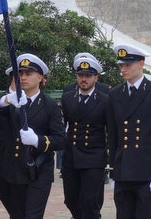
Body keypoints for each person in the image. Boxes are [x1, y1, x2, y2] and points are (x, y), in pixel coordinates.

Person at [0, 53, 67, 219]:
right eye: (20, 74)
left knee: (32, 215)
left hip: (38, 170)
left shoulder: (49, 105)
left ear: (40, 77)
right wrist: (6, 100)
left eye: (28, 73)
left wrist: (38, 140)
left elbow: (61, 140)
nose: (23, 77)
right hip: (11, 171)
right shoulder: (9, 101)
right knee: (17, 215)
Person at [106, 44, 151, 219]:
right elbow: (114, 136)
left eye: (128, 65)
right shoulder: (115, 94)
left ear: (141, 63)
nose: (123, 69)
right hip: (123, 171)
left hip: (147, 171)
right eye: (121, 65)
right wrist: (112, 169)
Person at [61, 55, 109, 219]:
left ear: (96, 77)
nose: (83, 79)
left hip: (93, 156)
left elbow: (111, 130)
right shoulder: (68, 98)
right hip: (72, 156)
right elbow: (66, 125)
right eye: (80, 75)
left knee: (89, 201)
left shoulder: (105, 100)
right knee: (70, 200)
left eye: (88, 76)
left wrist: (111, 159)